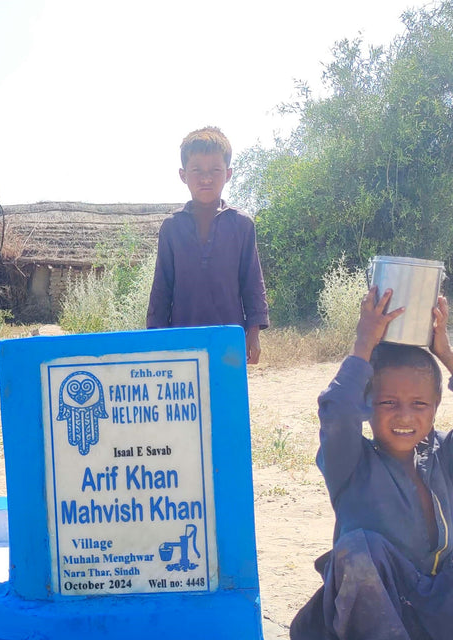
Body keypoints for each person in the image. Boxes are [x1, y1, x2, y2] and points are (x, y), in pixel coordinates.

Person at [290, 287, 453, 639]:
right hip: (372, 614)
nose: (404, 416)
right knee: (359, 549)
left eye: (419, 404)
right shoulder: (349, 462)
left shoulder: (444, 454)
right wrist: (364, 342)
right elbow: (337, 412)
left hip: (436, 610)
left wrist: (445, 351)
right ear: (366, 403)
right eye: (388, 403)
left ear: (437, 404)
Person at [146, 125, 270, 364]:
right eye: (197, 170)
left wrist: (253, 333)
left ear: (229, 173)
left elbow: (252, 281)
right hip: (181, 339)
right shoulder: (172, 227)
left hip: (228, 338)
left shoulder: (242, 225)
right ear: (183, 175)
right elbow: (161, 288)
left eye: (215, 170)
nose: (206, 178)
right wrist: (156, 339)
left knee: (227, 399)